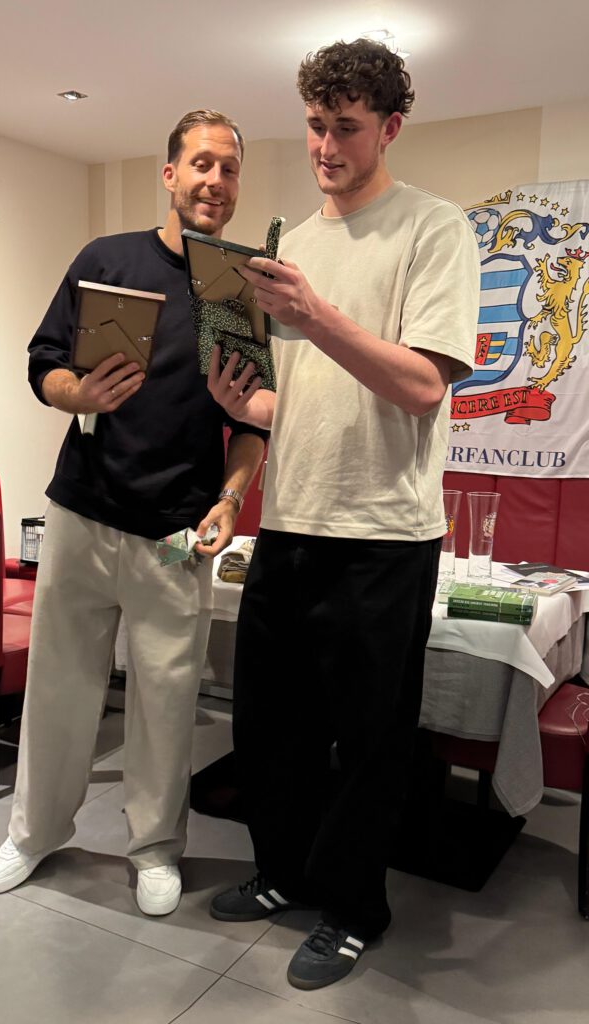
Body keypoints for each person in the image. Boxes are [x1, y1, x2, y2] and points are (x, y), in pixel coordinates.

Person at [207, 39, 479, 988]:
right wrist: (247, 404)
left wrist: (315, 315)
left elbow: (421, 386)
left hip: (384, 536)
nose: (325, 146)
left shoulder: (435, 230)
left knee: (369, 743)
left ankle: (357, 908)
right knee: (268, 728)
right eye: (315, 125)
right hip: (289, 522)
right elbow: (301, 401)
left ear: (390, 127)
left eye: (347, 128)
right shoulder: (290, 246)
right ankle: (284, 873)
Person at [0, 110, 266, 916]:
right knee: (59, 688)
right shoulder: (105, 259)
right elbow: (43, 363)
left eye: (229, 169)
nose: (215, 181)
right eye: (201, 164)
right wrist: (79, 392)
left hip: (177, 531)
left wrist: (231, 498)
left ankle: (156, 849)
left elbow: (251, 424)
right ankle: (33, 833)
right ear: (170, 174)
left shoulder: (236, 290)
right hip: (83, 510)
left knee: (167, 702)